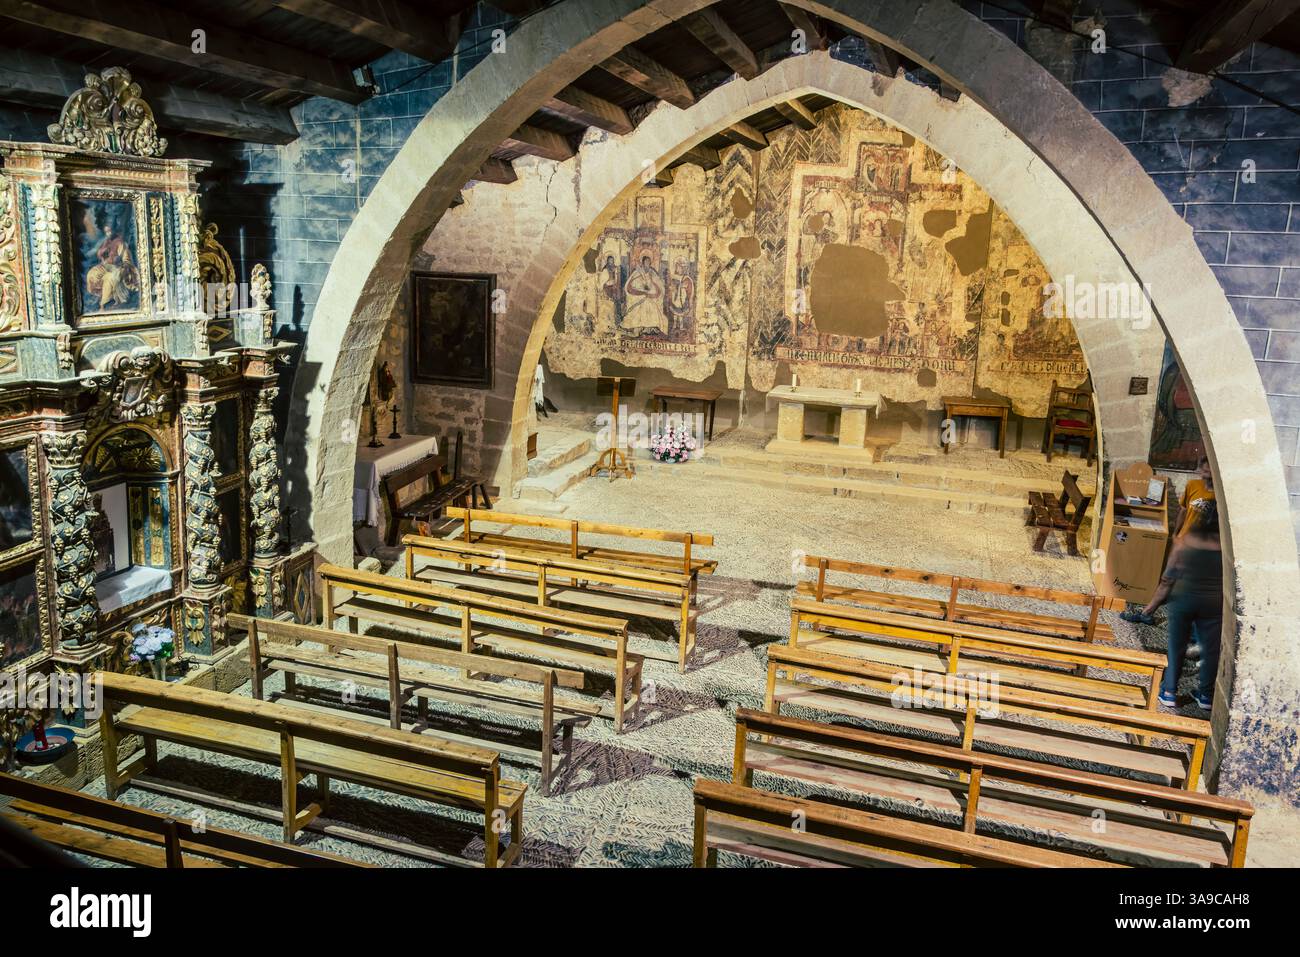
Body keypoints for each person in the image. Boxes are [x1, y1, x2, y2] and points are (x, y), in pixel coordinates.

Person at [1132, 499, 1223, 710]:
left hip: (1186, 599)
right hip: (1213, 604)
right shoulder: (1226, 547)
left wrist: (1153, 604)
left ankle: (1169, 691)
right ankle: (1206, 696)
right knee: (1211, 650)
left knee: (1176, 647)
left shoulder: (1187, 541)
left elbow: (1168, 577)